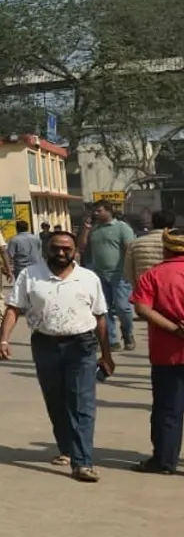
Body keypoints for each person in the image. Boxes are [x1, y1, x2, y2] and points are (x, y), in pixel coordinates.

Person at [0, 228, 114, 482]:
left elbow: (100, 318)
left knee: (82, 403)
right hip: (45, 345)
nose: (61, 253)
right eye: (55, 248)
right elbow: (13, 309)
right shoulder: (30, 275)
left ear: (75, 252)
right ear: (46, 249)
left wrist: (106, 354)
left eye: (66, 249)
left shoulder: (88, 278)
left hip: (81, 346)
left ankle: (82, 462)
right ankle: (67, 449)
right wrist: (3, 339)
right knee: (56, 400)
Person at [130, 228, 184, 475]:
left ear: (166, 248)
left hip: (167, 355)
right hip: (168, 355)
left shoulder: (153, 276)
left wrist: (174, 329)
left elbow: (142, 309)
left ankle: (164, 461)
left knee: (167, 409)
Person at [86, 201, 138, 350]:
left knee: (123, 307)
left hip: (119, 275)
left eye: (99, 211)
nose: (95, 213)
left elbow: (129, 250)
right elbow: (82, 246)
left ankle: (127, 332)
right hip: (99, 275)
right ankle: (111, 339)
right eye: (94, 211)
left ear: (108, 211)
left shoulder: (122, 227)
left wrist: (130, 271)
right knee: (104, 308)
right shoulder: (94, 229)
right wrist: (85, 229)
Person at [126, 210, 174, 290]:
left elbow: (128, 272)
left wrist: (137, 287)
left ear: (152, 223)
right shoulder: (177, 243)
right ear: (172, 224)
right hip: (171, 289)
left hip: (144, 289)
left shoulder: (135, 244)